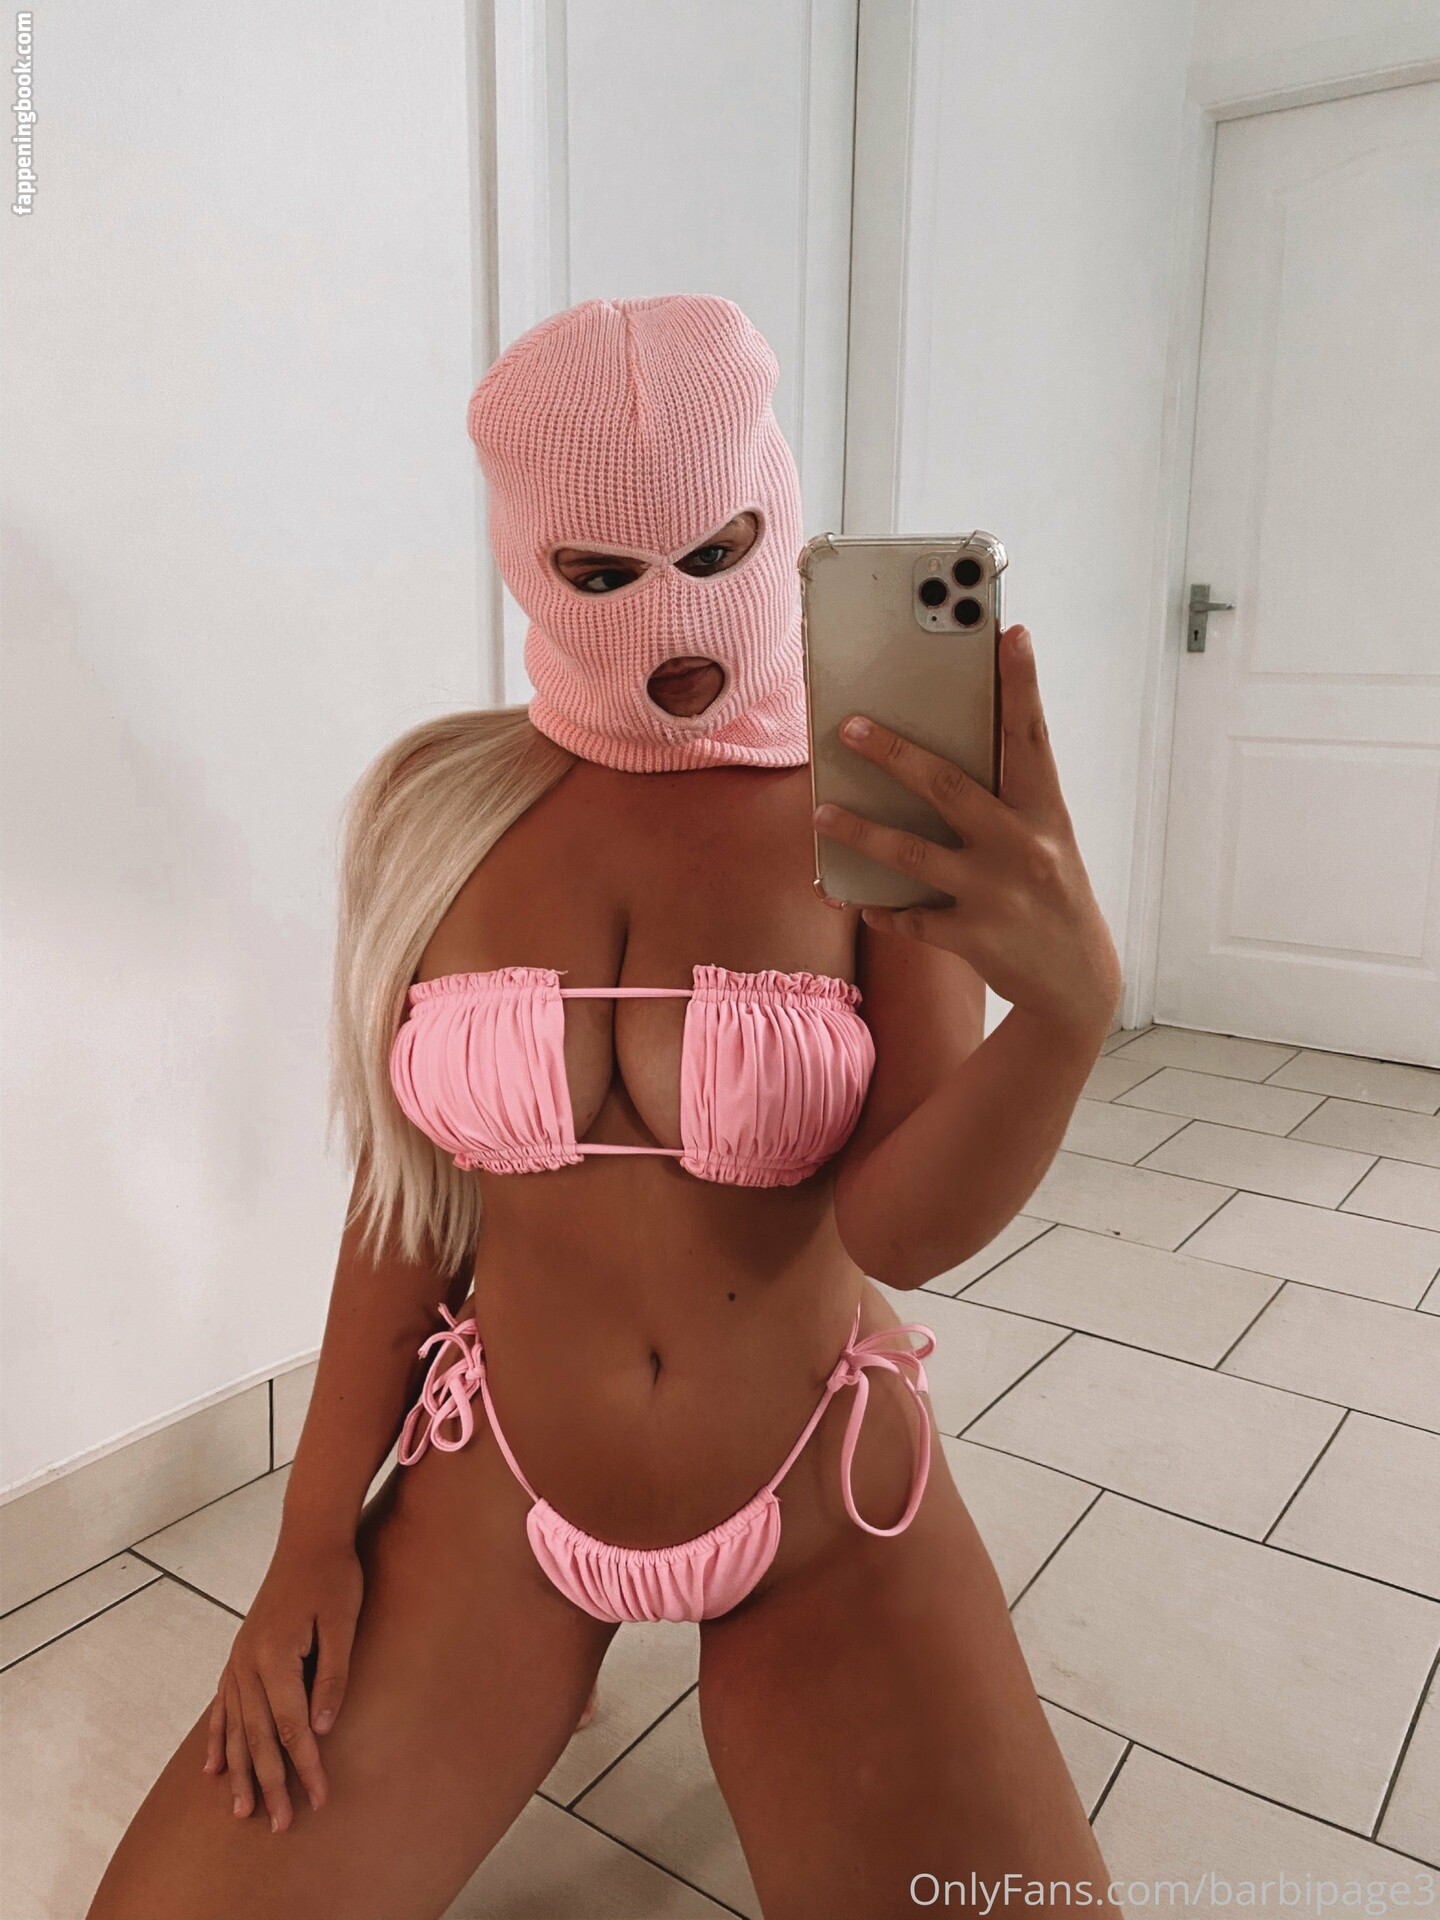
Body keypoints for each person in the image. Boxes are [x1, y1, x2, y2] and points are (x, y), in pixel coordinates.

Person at [89, 294, 1124, 1919]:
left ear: (780, 513)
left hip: (821, 1485)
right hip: (497, 1481)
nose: (679, 614)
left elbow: (903, 1230)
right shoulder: (438, 808)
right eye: (601, 573)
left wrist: (1063, 1018)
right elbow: (405, 1209)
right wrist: (309, 1537)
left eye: (720, 551)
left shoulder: (869, 800)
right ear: (527, 561)